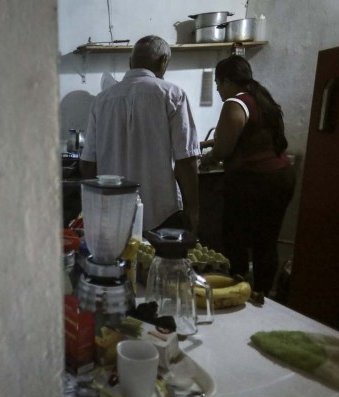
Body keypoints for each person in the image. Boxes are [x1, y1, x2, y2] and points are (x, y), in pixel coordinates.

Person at [80, 35, 200, 232]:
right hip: (162, 214)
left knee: (121, 263)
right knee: (162, 263)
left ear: (130, 63)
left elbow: (87, 165)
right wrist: (193, 210)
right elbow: (186, 160)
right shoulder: (173, 95)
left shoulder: (101, 101)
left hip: (114, 214)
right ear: (164, 62)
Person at [200, 55, 295, 295]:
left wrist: (207, 157)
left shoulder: (235, 102)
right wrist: (208, 142)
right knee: (266, 242)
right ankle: (263, 295)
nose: (218, 89)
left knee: (235, 240)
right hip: (281, 177)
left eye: (219, 83)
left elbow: (223, 150)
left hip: (254, 182)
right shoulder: (262, 99)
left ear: (229, 81)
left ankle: (237, 291)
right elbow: (250, 135)